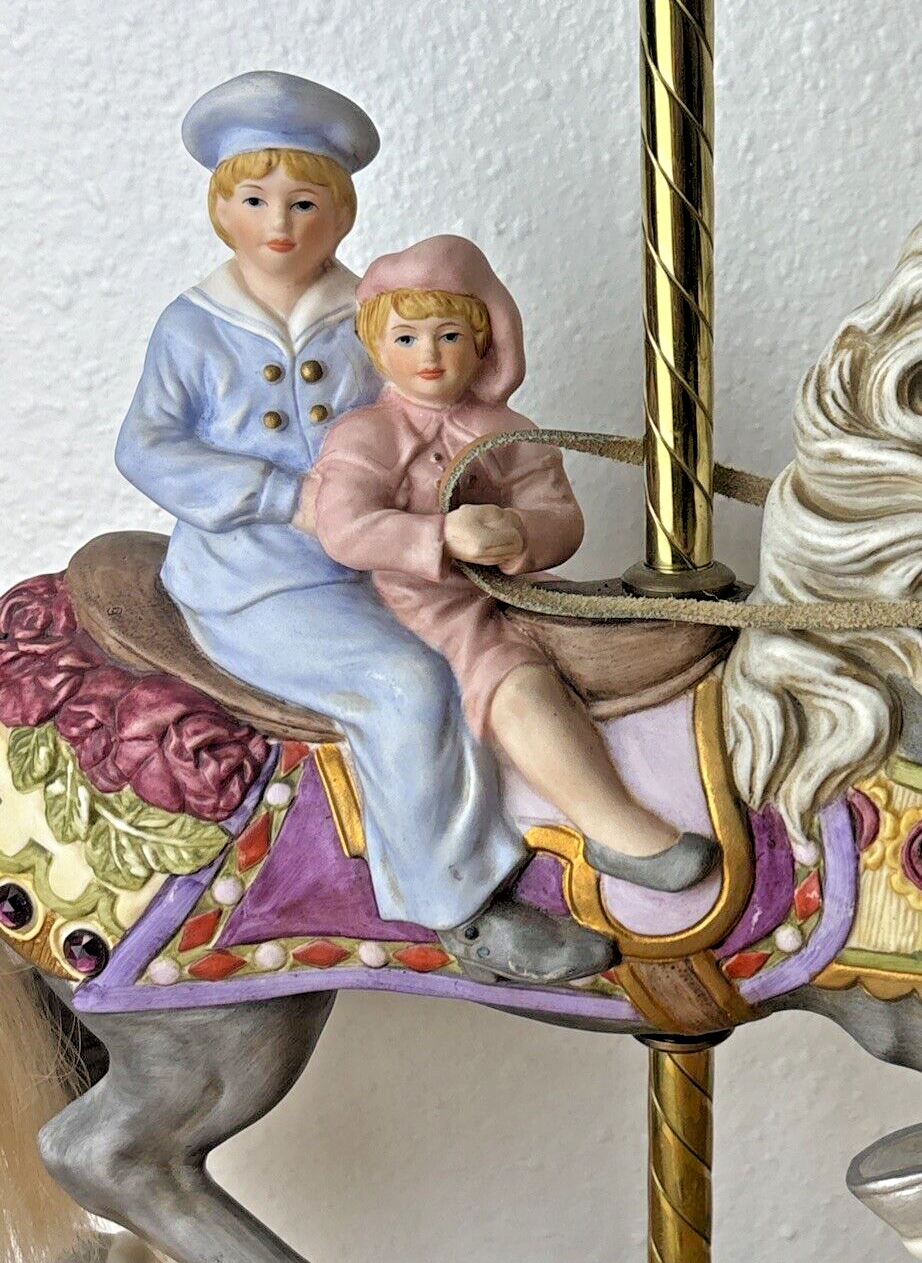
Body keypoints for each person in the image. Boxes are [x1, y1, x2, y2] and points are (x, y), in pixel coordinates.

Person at [115, 71, 614, 985]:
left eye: (305, 203)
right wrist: (279, 497)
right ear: (220, 210)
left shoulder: (375, 318)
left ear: (341, 214)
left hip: (391, 567)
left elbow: (438, 415)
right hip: (258, 580)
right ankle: (460, 906)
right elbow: (146, 446)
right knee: (408, 683)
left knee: (512, 654)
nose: (280, 223)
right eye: (254, 200)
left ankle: (600, 831)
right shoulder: (193, 326)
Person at [310, 234, 720, 895]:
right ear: (378, 349)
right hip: (421, 607)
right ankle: (612, 827)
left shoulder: (507, 430)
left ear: (484, 343)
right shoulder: (367, 435)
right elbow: (344, 527)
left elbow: (560, 516)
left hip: (515, 591)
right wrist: (440, 537)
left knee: (608, 641)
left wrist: (521, 533)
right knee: (512, 677)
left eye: (449, 336)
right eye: (406, 339)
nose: (429, 356)